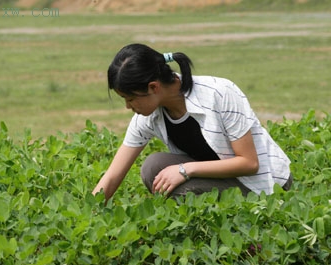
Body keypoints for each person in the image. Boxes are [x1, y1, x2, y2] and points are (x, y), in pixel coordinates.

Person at [92, 43, 292, 200]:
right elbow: (112, 176)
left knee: (183, 186)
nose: (128, 106)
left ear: (153, 87)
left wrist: (186, 170)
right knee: (153, 166)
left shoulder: (219, 93)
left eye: (130, 98)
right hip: (221, 179)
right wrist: (85, 217)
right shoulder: (149, 116)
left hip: (263, 184)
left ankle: (237, 232)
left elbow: (249, 163)